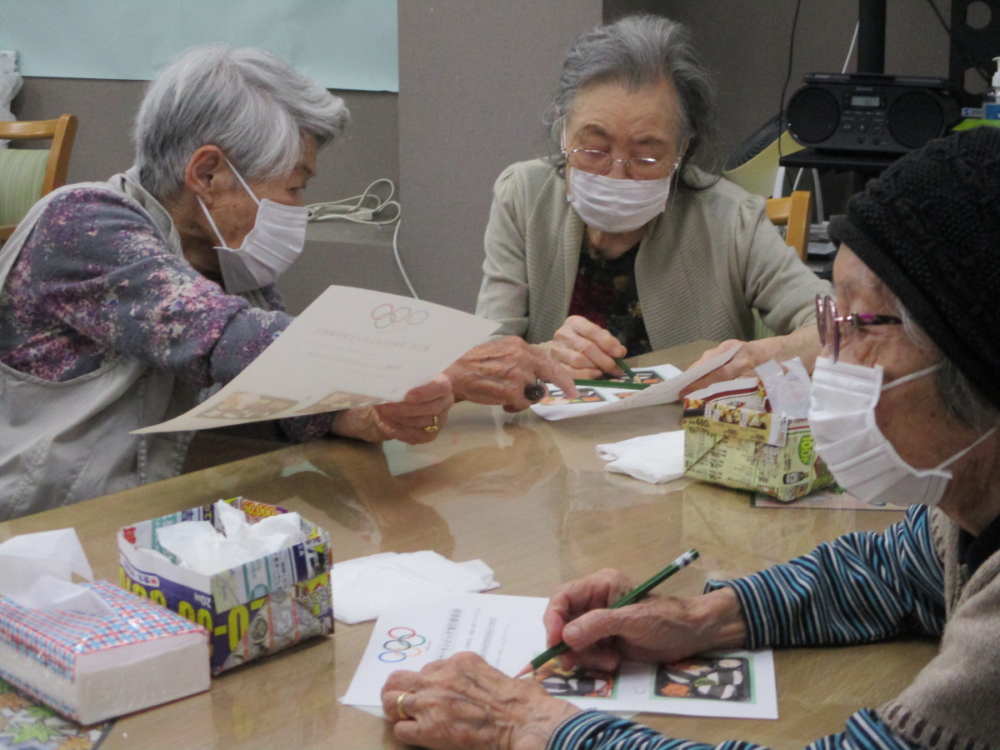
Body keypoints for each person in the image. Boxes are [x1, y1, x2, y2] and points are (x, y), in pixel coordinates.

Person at [379, 127, 1000, 750]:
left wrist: (531, 725)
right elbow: (893, 570)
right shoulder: (972, 504)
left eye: (860, 325)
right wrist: (704, 618)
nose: (830, 358)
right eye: (827, 321)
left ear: (974, 356)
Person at [0, 45, 452, 521]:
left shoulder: (223, 260)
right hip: (39, 535)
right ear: (208, 174)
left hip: (145, 521)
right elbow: (223, 337)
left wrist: (358, 413)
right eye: (295, 187)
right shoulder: (83, 224)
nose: (299, 209)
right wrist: (414, 357)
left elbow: (262, 388)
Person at [458, 14, 829, 399]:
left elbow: (840, 326)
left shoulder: (731, 220)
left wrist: (764, 356)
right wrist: (542, 357)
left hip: (684, 448)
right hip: (550, 448)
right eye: (595, 149)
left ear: (682, 150)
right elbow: (487, 356)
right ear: (563, 131)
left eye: (646, 157)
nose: (617, 175)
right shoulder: (523, 196)